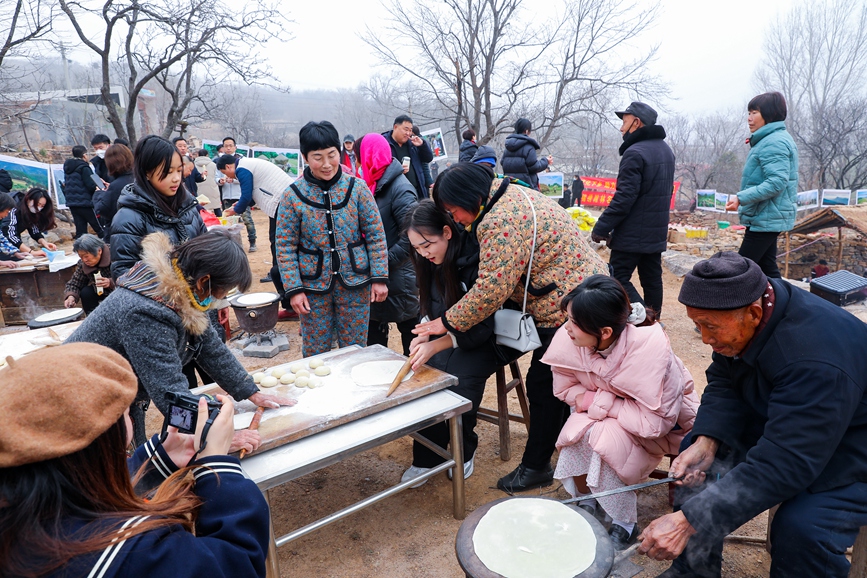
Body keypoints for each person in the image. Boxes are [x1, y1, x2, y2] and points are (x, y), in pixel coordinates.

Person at [638, 252, 867, 578]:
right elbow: (725, 379)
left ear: (754, 313)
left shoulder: (814, 359)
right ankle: (695, 570)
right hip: (795, 420)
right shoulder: (753, 304)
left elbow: (786, 462)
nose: (705, 338)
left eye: (710, 327)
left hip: (854, 447)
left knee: (803, 528)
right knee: (698, 459)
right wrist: (708, 439)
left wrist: (688, 520)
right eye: (697, 325)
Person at [414, 163, 609, 493]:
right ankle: (549, 454)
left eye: (452, 210)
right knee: (547, 382)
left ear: (469, 198)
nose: (454, 218)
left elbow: (491, 289)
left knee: (545, 382)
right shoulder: (507, 193)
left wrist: (445, 324)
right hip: (569, 290)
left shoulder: (500, 220)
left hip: (566, 303)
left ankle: (537, 466)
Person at [0, 343, 271, 578]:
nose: (131, 420)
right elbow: (237, 563)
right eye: (125, 414)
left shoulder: (21, 517)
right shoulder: (132, 552)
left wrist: (159, 459)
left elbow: (79, 493)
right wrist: (215, 465)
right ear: (100, 442)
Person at [68, 231, 295, 446]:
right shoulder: (145, 311)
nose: (222, 298)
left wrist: (248, 390)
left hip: (119, 396)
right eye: (223, 291)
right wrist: (214, 438)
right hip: (83, 403)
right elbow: (169, 391)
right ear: (204, 281)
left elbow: (209, 345)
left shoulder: (182, 289)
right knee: (113, 471)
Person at [542, 275, 698, 550]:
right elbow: (565, 389)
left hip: (664, 424)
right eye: (567, 318)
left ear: (605, 332)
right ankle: (588, 500)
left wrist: (599, 403)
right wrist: (600, 402)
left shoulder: (649, 352)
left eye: (574, 322)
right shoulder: (576, 337)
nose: (567, 328)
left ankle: (624, 521)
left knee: (603, 442)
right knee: (575, 435)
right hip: (608, 411)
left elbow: (654, 423)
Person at [400, 200, 498, 486]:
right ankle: (427, 456)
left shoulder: (474, 259)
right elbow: (428, 306)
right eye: (417, 248)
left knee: (460, 379)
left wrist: (436, 344)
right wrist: (422, 336)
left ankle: (463, 448)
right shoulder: (428, 259)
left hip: (485, 337)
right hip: (446, 333)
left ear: (447, 232)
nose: (423, 253)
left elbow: (482, 325)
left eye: (427, 244)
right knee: (422, 376)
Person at [275, 120, 389, 357]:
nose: (327, 164)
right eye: (318, 157)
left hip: (355, 283)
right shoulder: (292, 196)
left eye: (332, 155)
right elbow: (285, 247)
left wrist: (379, 277)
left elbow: (376, 235)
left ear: (340, 152)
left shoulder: (357, 188)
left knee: (355, 351)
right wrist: (294, 290)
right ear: (305, 157)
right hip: (312, 288)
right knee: (316, 353)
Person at [591, 102, 674, 316]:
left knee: (617, 278)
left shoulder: (635, 152)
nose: (621, 128)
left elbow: (625, 197)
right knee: (652, 278)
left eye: (624, 122)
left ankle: (645, 318)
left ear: (636, 122)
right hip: (656, 230)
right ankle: (655, 320)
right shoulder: (666, 150)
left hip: (633, 232)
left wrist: (602, 227)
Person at [110, 135, 206, 279]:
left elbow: (206, 249)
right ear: (147, 173)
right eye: (168, 172)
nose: (176, 178)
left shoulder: (187, 206)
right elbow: (124, 274)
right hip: (158, 300)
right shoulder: (128, 218)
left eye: (179, 170)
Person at [724, 92, 798, 278]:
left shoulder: (774, 142)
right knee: (767, 269)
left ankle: (726, 306)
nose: (749, 118)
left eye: (754, 112)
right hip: (766, 216)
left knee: (740, 271)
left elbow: (776, 182)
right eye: (749, 113)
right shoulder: (769, 139)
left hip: (766, 215)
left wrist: (741, 198)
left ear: (770, 114)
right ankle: (782, 306)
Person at [215, 154, 298, 320]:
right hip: (283, 205)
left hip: (283, 206)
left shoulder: (242, 169)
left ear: (229, 167)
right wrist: (238, 205)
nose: (227, 176)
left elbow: (246, 196)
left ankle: (290, 307)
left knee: (279, 252)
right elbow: (252, 195)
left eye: (225, 172)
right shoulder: (248, 165)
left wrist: (235, 210)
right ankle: (289, 303)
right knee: (277, 249)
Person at [357, 133, 419, 354]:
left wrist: (380, 266)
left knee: (411, 338)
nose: (358, 164)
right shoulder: (373, 185)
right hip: (379, 275)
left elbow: (411, 239)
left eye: (360, 158)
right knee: (374, 340)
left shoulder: (401, 189)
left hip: (400, 276)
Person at [215, 136, 257, 252]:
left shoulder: (241, 161)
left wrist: (233, 179)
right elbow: (216, 178)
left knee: (247, 219)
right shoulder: (220, 162)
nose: (228, 148)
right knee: (229, 223)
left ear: (235, 147)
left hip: (241, 195)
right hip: (227, 195)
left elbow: (247, 179)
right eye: (226, 146)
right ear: (222, 148)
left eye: (230, 145)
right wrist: (221, 181)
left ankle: (252, 241)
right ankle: (233, 246)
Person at [381, 114, 434, 200]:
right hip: (396, 194)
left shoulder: (412, 143)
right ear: (395, 127)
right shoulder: (384, 143)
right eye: (406, 129)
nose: (408, 133)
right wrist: (397, 170)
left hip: (418, 191)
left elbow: (428, 159)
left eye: (410, 130)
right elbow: (379, 170)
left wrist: (422, 145)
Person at [64, 234, 113, 314]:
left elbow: (128, 275)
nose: (84, 260)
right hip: (102, 292)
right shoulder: (83, 264)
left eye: (86, 256)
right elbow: (75, 283)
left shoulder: (115, 254)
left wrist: (110, 282)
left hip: (120, 291)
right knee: (86, 292)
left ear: (99, 251)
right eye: (81, 257)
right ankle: (92, 318)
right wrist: (71, 296)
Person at [0, 187, 57, 256]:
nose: (39, 208)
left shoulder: (31, 211)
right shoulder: (13, 208)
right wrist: (32, 252)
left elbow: (34, 229)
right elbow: (9, 235)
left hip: (7, 244)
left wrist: (43, 242)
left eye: (42, 206)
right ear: (29, 199)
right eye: (38, 204)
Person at [96, 143, 135, 242]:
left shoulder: (116, 185)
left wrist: (99, 193)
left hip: (119, 236)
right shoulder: (137, 179)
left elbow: (103, 209)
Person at [64, 144, 104, 239]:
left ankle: (79, 250)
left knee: (80, 230)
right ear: (84, 155)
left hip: (72, 203)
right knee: (99, 228)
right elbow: (90, 185)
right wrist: (98, 188)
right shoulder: (84, 167)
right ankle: (107, 246)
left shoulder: (68, 167)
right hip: (86, 203)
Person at [501, 118, 552, 190]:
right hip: (527, 188)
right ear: (527, 130)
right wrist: (545, 161)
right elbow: (534, 167)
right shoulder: (529, 147)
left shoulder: (508, 147)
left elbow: (502, 163)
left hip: (510, 188)